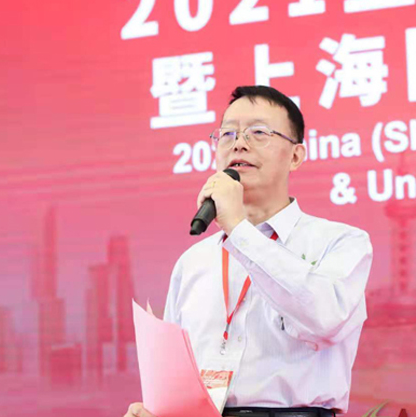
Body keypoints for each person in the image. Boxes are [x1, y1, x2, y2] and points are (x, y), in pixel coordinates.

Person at [125, 85, 373, 417]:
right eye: (227, 134)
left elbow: (324, 320)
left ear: (295, 156)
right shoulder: (193, 262)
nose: (239, 143)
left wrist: (238, 229)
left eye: (258, 132)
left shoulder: (340, 242)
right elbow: (174, 375)